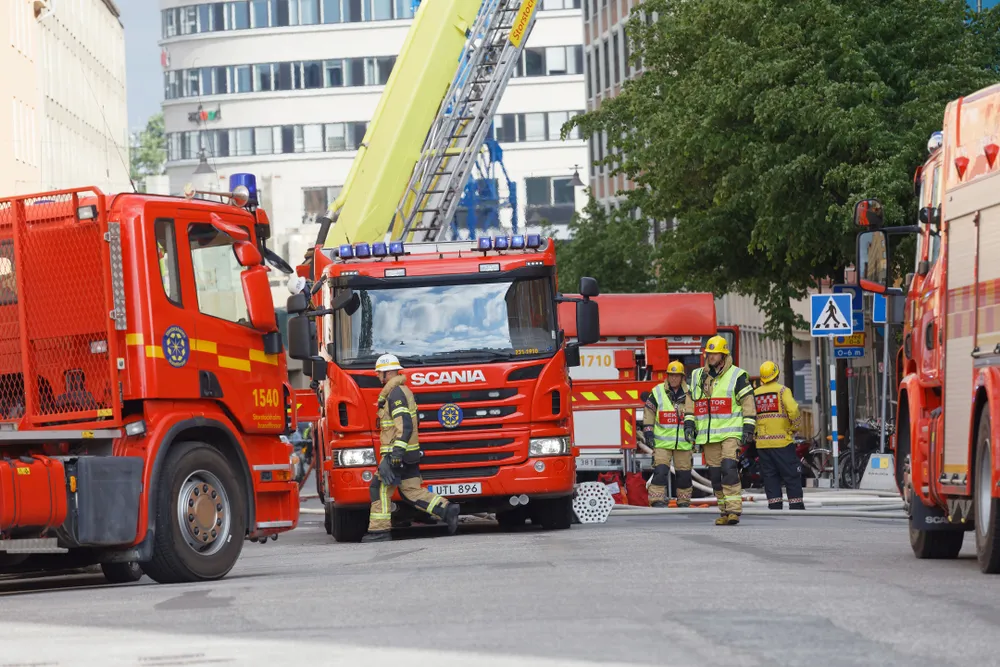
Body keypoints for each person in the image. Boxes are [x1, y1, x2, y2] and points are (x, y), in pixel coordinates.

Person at [362, 354, 460, 543]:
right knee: (411, 490)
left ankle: (379, 531)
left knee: (379, 487)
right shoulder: (402, 391)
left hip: (398, 454)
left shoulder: (396, 394)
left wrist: (395, 455)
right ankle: (447, 510)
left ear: (387, 373)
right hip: (408, 453)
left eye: (379, 373)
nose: (377, 376)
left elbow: (404, 426)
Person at [690, 335, 756, 525]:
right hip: (708, 436)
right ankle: (724, 511)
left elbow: (748, 403)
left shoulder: (737, 375)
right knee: (715, 477)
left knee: (729, 469)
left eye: (715, 353)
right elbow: (691, 403)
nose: (711, 356)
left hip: (730, 433)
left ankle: (734, 510)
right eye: (709, 353)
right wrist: (689, 424)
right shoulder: (697, 376)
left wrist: (749, 427)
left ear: (724, 355)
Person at [644, 361, 696, 508]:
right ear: (667, 376)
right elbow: (649, 412)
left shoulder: (691, 393)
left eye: (676, 376)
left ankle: (684, 501)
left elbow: (698, 414)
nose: (673, 378)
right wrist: (648, 432)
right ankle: (656, 500)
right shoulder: (657, 391)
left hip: (684, 443)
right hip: (662, 443)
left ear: (682, 377)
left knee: (684, 474)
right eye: (671, 375)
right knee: (660, 471)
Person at [753, 361, 804, 510]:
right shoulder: (783, 391)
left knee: (770, 476)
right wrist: (794, 427)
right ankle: (796, 505)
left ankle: (774, 505)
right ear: (776, 374)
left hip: (762, 444)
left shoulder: (755, 394)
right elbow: (793, 410)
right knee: (791, 474)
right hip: (782, 442)